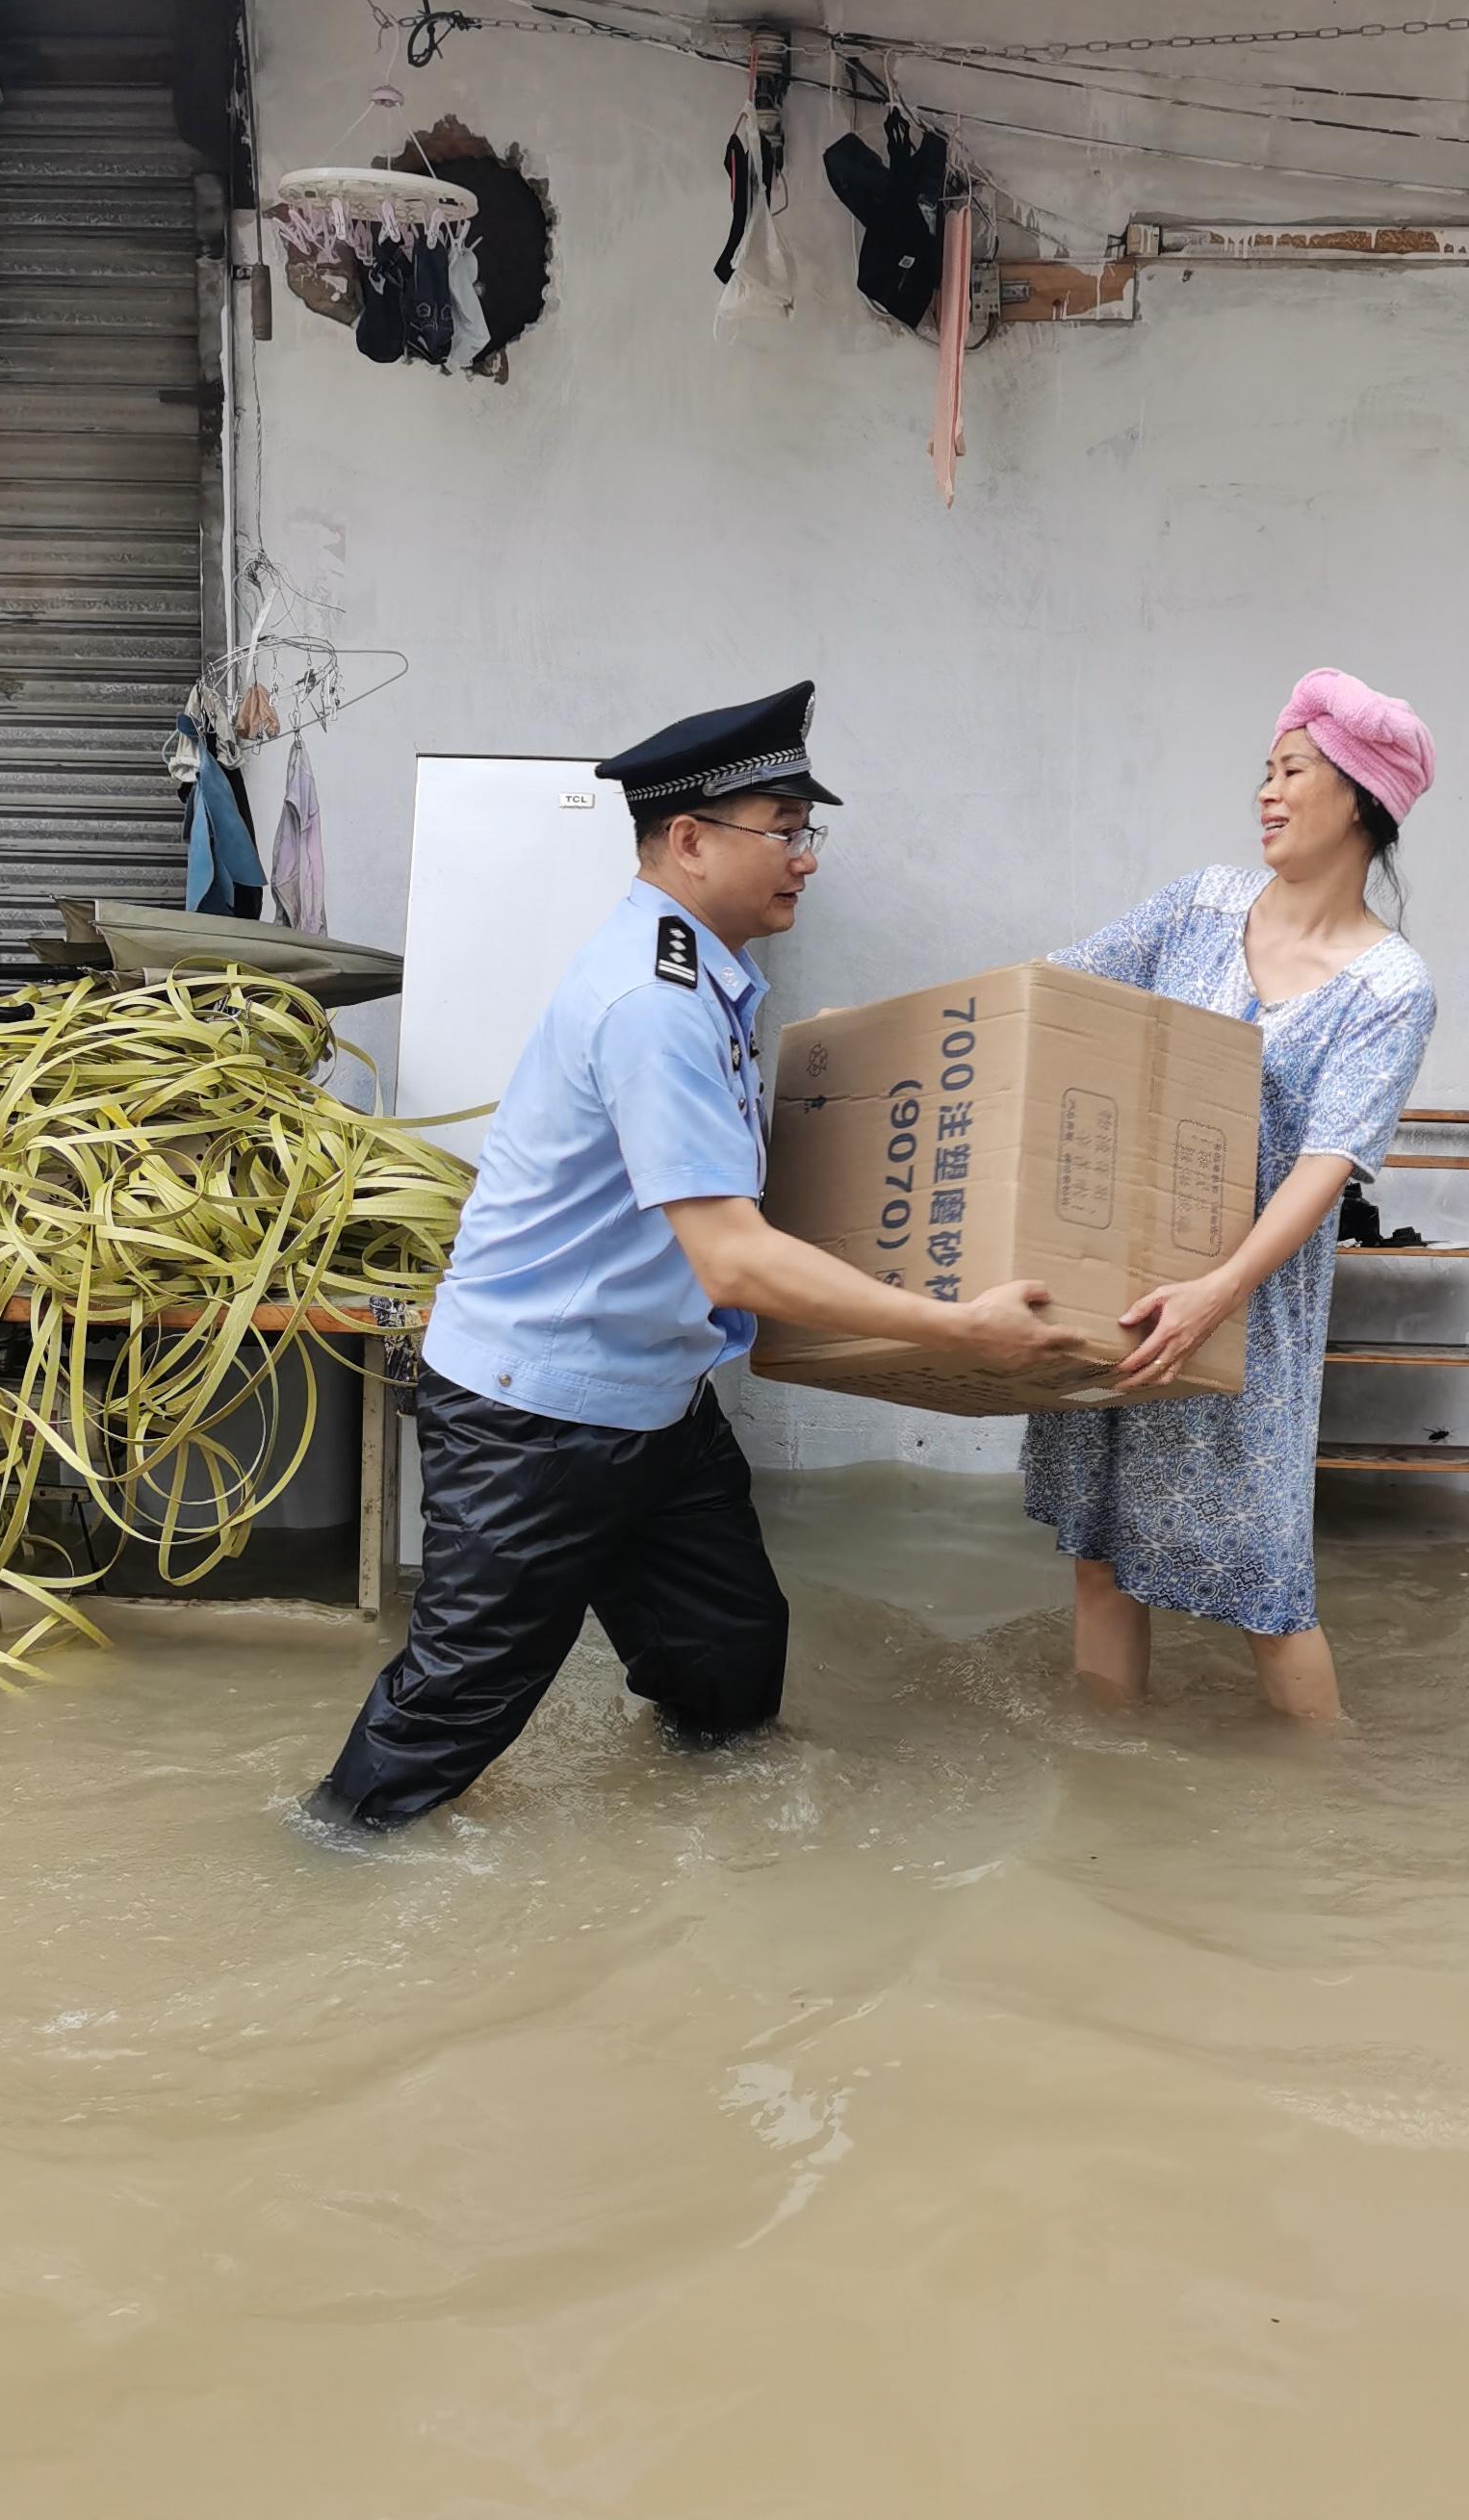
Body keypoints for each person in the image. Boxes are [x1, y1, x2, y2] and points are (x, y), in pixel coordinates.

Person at [311, 680, 1083, 1832]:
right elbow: (731, 1261)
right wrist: (962, 1331)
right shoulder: (652, 1001)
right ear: (688, 839)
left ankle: (710, 1882)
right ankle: (324, 1865)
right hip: (540, 1409)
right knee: (459, 1706)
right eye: (785, 830)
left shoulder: (702, 973)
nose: (805, 858)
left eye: (803, 832)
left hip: (656, 1400)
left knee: (726, 1663)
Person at [1021, 669, 1438, 1723]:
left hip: (1246, 1317)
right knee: (1100, 1556)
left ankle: (1321, 1816)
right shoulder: (1199, 905)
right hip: (1115, 1285)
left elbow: (1326, 1166)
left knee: (1267, 1592)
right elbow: (1058, 996)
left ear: (1357, 799)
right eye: (1264, 770)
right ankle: (1107, 1782)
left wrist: (1217, 1293)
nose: (1266, 791)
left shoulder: (1390, 986)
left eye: (1291, 770)